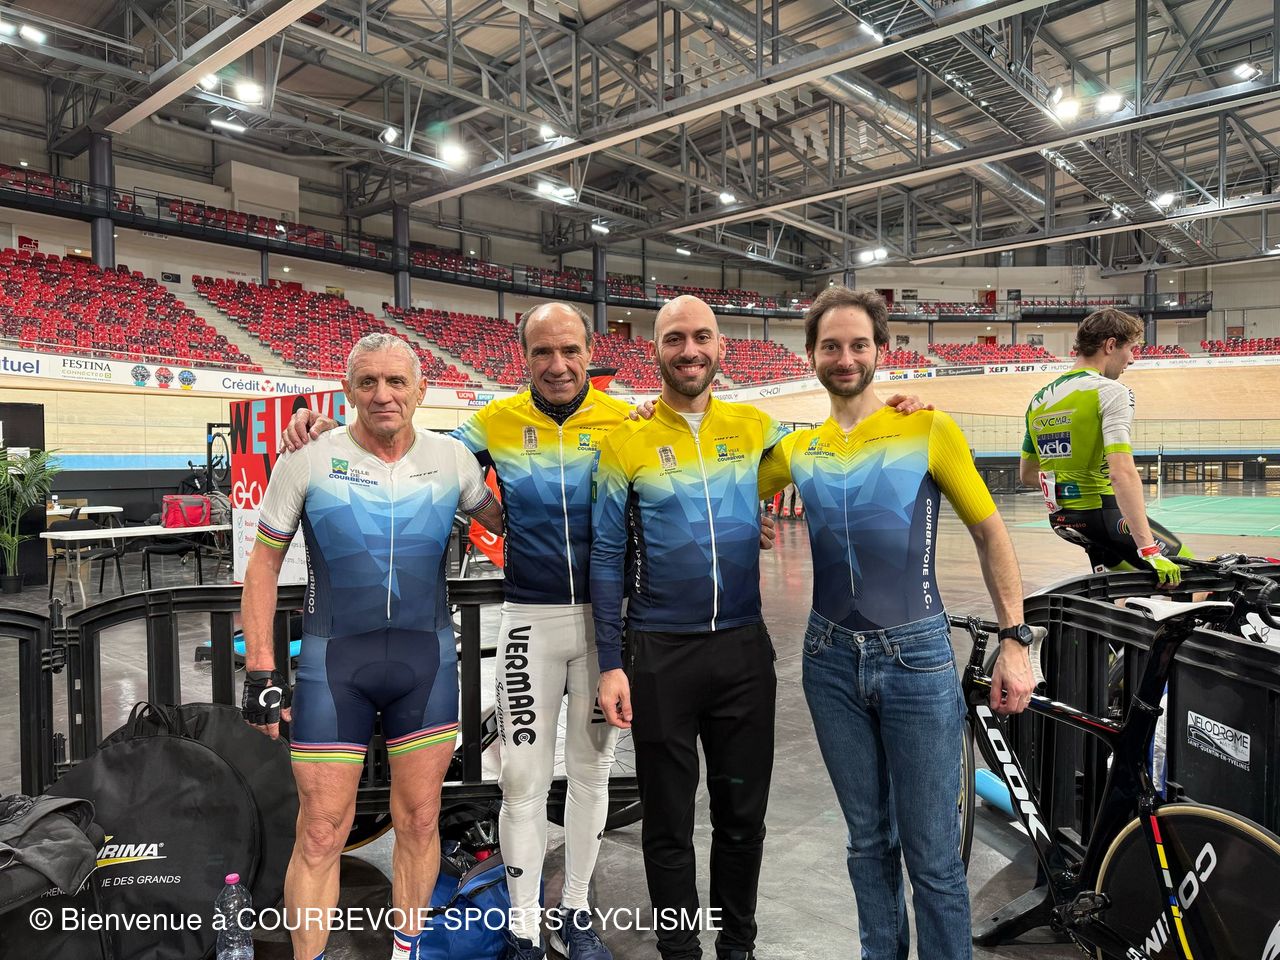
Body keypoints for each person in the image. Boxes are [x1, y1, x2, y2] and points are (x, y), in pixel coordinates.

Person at [283, 303, 631, 960]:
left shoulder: (627, 421)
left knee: (592, 776)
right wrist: (337, 431)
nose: (558, 364)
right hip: (530, 618)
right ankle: (523, 928)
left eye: (570, 350)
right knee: (521, 782)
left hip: (604, 625)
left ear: (592, 352)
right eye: (542, 351)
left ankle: (576, 914)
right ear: (523, 357)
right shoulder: (493, 421)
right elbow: (411, 443)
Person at [755, 286, 1036, 960]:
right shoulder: (796, 449)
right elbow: (717, 480)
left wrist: (1015, 640)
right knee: (867, 842)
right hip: (828, 661)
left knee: (933, 853)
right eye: (831, 346)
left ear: (881, 351)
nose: (845, 358)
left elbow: (991, 534)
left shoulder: (929, 429)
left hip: (917, 660)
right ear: (811, 354)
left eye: (859, 345)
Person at [241, 332, 501, 960]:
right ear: (349, 390)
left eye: (396, 381)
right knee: (320, 832)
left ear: (421, 390)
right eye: (368, 382)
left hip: (425, 666)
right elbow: (262, 566)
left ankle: (407, 951)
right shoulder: (307, 457)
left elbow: (512, 525)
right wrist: (260, 672)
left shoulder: (453, 460)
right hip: (335, 668)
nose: (383, 394)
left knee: (420, 820)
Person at [590, 294, 790, 960]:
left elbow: (833, 449)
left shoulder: (755, 426)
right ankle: (680, 952)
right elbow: (606, 558)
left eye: (702, 336)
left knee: (742, 819)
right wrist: (610, 661)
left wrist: (899, 408)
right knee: (668, 826)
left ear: (721, 346)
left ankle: (738, 948)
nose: (690, 350)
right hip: (659, 656)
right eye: (675, 338)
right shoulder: (625, 440)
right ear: (655, 350)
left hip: (742, 653)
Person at [1020, 307, 1188, 587]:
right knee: (1195, 578)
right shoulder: (1111, 392)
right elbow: (1121, 474)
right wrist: (1149, 550)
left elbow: (1027, 475)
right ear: (1110, 345)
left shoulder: (1039, 400)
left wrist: (1071, 483)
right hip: (1105, 515)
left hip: (1064, 520)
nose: (1131, 359)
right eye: (1131, 349)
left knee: (1125, 589)